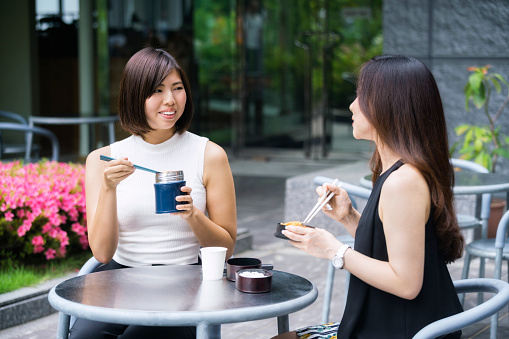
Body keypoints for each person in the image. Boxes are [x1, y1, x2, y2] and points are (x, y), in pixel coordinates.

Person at [274, 55, 465, 339]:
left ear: (389, 105)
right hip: (400, 322)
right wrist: (348, 217)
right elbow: (391, 247)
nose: (351, 105)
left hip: (402, 331)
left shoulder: (403, 181)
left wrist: (334, 250)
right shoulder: (399, 170)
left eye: (361, 96)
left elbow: (406, 284)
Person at [70, 47, 237, 339]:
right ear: (135, 96)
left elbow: (227, 249)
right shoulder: (103, 160)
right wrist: (109, 188)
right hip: (120, 278)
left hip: (186, 281)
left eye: (177, 88)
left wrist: (192, 215)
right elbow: (102, 252)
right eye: (157, 91)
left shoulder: (209, 155)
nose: (170, 100)